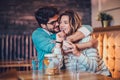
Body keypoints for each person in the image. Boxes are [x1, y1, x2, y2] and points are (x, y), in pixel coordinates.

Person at [32, 6, 96, 70]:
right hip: (46, 72)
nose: (57, 24)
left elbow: (88, 28)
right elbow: (60, 49)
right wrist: (88, 44)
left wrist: (70, 38)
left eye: (58, 21)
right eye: (52, 23)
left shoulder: (60, 31)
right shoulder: (38, 34)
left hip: (63, 71)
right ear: (43, 25)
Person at [53, 10, 110, 76]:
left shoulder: (87, 39)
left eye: (65, 23)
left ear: (74, 24)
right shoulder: (62, 41)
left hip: (101, 76)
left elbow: (94, 68)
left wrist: (77, 53)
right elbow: (55, 66)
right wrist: (58, 43)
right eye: (60, 23)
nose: (61, 25)